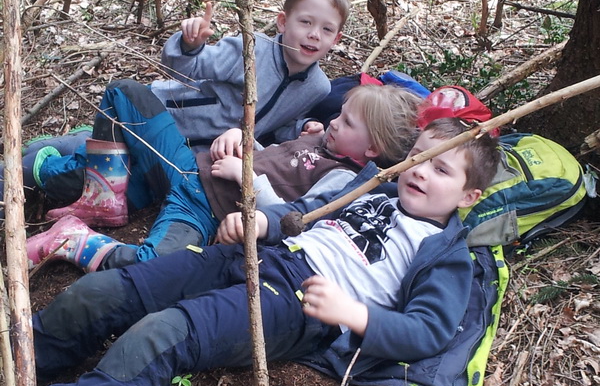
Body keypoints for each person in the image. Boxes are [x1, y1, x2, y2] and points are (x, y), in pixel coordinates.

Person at [23, 117, 500, 386]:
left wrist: (355, 314)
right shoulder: (373, 188)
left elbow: (428, 331)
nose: (420, 171)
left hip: (297, 303)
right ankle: (22, 359)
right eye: (417, 157)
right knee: (100, 293)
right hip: (256, 256)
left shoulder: (445, 253)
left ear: (467, 197)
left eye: (441, 169)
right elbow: (304, 212)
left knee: (160, 335)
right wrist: (261, 222)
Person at [22, 0, 350, 228]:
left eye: (325, 29)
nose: (313, 35)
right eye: (305, 22)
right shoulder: (250, 50)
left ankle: (60, 152)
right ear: (283, 21)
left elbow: (278, 124)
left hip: (191, 150)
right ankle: (41, 153)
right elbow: (184, 69)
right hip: (158, 115)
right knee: (73, 151)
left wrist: (301, 127)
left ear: (336, 38)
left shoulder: (318, 87)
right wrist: (190, 45)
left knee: (99, 170)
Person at [26, 84, 422, 271]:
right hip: (185, 166)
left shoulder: (342, 181)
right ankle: (104, 194)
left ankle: (72, 239)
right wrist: (243, 139)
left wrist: (246, 177)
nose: (335, 121)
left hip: (202, 208)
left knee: (152, 264)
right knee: (125, 93)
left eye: (347, 122)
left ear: (372, 150)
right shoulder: (320, 139)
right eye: (340, 114)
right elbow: (275, 159)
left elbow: (292, 219)